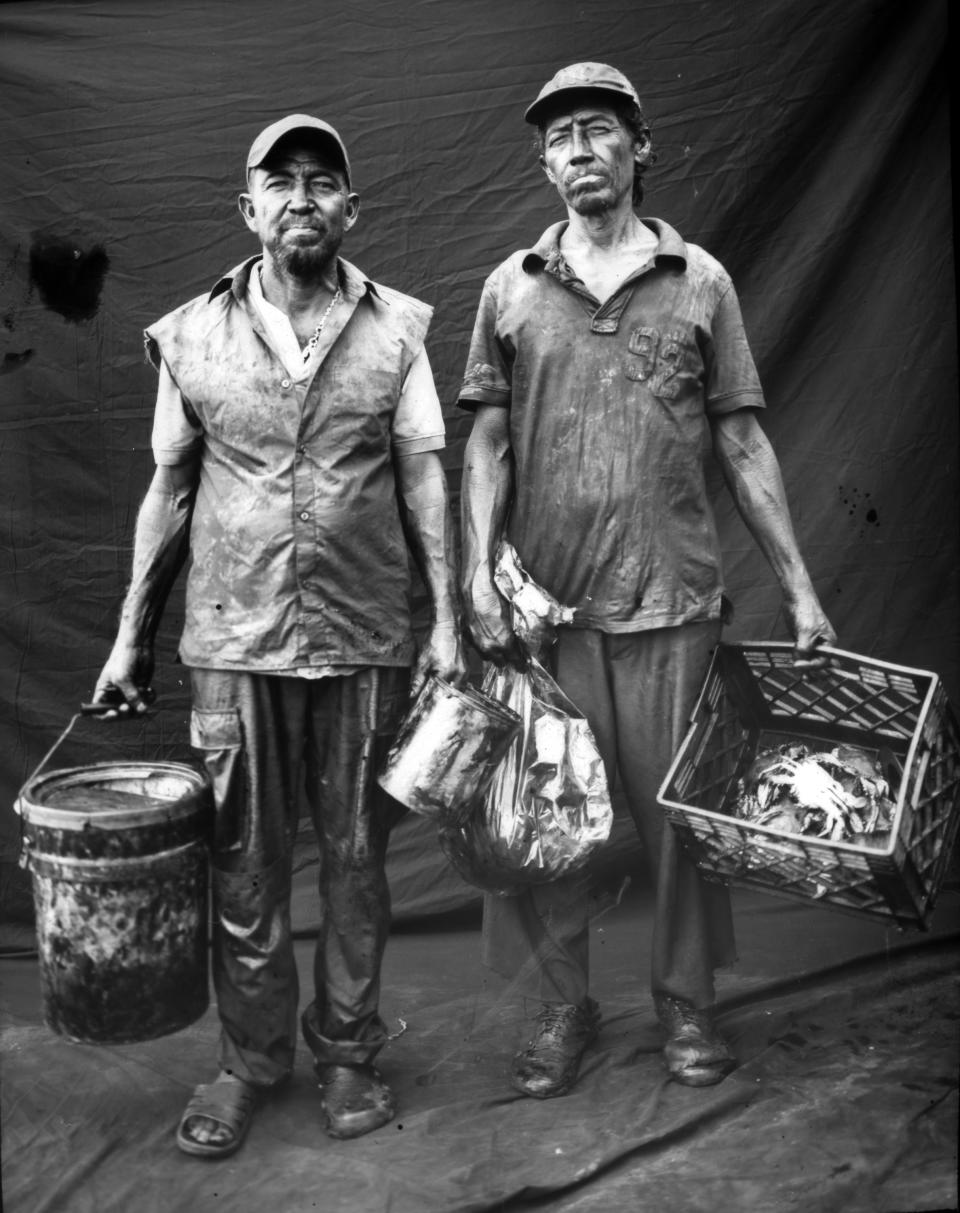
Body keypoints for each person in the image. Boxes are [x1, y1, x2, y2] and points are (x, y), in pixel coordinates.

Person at [458, 64, 837, 1099]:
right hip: (551, 609)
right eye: (559, 138)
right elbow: (486, 447)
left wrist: (800, 590)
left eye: (598, 130)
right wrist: (478, 579)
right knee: (552, 818)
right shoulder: (511, 287)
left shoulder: (700, 280)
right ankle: (560, 1007)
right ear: (543, 165)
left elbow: (745, 443)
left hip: (674, 598)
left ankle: (685, 1004)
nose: (578, 149)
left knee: (678, 818)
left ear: (640, 148)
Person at [90, 113, 465, 1155]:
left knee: (355, 859)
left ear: (353, 207)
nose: (303, 196)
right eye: (281, 181)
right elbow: (168, 491)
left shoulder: (398, 330)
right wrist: (131, 635)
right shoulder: (189, 334)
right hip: (231, 635)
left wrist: (451, 624)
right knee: (245, 866)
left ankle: (348, 1054)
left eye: (323, 181)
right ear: (247, 208)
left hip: (366, 635)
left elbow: (425, 475)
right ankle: (248, 1063)